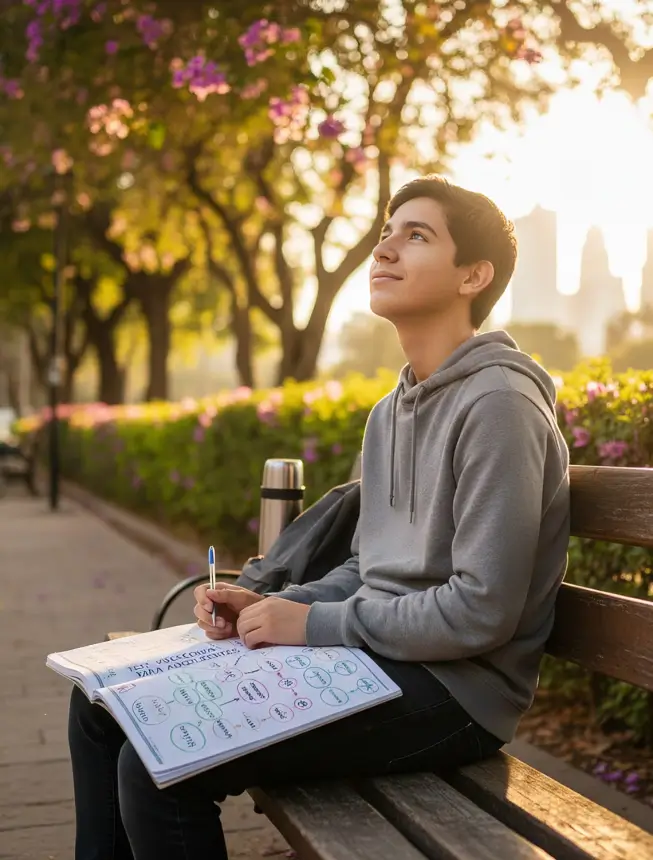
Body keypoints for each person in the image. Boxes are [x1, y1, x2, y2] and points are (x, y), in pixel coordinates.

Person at [68, 174, 571, 860]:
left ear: (472, 276)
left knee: (156, 770)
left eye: (415, 236)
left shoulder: (499, 406)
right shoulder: (389, 412)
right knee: (97, 709)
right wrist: (270, 602)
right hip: (376, 659)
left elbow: (481, 610)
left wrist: (313, 625)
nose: (386, 248)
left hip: (456, 694)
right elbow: (371, 566)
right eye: (386, 232)